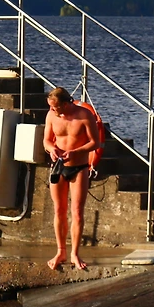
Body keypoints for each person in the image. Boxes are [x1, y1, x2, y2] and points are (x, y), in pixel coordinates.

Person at [43, 87, 100, 271]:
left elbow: (95, 142)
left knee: (76, 211)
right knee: (59, 210)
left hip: (79, 167)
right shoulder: (51, 116)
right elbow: (47, 140)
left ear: (67, 103)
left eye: (57, 108)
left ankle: (75, 253)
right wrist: (52, 149)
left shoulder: (84, 115)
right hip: (58, 167)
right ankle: (61, 251)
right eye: (51, 107)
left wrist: (75, 152)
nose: (54, 111)